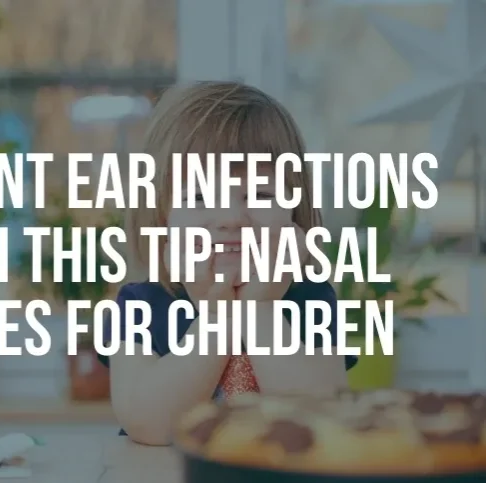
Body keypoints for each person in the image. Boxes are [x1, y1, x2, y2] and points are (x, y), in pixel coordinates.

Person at [96, 81, 357, 446]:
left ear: (295, 215)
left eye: (260, 194)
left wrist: (260, 308)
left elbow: (323, 421)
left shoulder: (311, 300)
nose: (232, 218)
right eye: (201, 195)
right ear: (160, 217)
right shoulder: (141, 306)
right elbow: (150, 425)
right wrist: (216, 319)